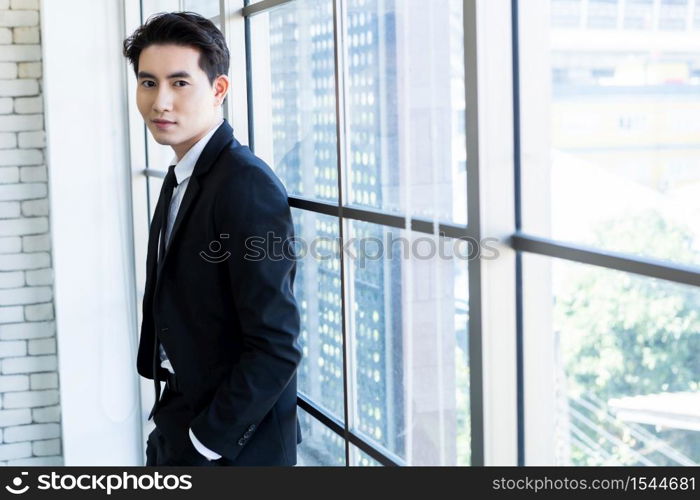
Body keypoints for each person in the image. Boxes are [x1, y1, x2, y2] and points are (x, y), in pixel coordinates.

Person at [122, 11, 302, 466]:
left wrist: (206, 442)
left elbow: (277, 344)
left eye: (180, 83)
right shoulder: (185, 172)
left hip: (231, 446)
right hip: (178, 415)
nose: (160, 102)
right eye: (148, 83)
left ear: (218, 89)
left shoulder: (246, 184)